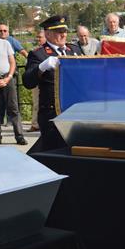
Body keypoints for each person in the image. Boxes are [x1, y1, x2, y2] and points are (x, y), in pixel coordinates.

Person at [23, 15, 82, 152]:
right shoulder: (39, 54)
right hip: (52, 114)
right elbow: (27, 81)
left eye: (65, 31)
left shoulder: (74, 50)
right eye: (59, 32)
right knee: (55, 151)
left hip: (75, 111)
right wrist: (41, 68)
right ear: (48, 33)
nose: (63, 35)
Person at [0, 23, 27, 140]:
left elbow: (22, 51)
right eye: (1, 31)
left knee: (12, 101)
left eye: (5, 31)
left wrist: (32, 61)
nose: (3, 33)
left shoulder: (11, 41)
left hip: (11, 74)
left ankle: (12, 124)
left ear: (8, 32)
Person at [29, 29, 47, 132]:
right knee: (36, 102)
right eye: (37, 37)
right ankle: (35, 124)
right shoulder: (36, 51)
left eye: (40, 37)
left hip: (47, 82)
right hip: (37, 80)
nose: (38, 39)